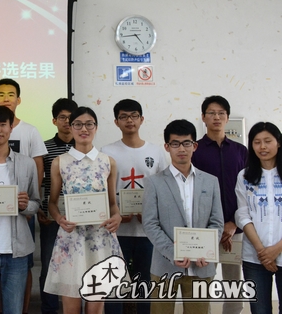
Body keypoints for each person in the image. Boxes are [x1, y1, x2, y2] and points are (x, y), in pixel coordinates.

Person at [0, 78, 47, 312]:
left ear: (10, 127)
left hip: (17, 238)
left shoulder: (26, 157)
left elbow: (35, 198)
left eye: (2, 125)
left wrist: (27, 207)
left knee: (15, 304)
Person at [44, 106, 123, 314]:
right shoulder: (60, 162)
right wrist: (59, 218)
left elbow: (112, 203)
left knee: (96, 309)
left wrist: (117, 216)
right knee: (71, 308)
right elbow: (52, 202)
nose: (84, 129)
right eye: (78, 124)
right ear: (71, 127)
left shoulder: (108, 162)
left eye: (89, 124)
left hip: (100, 238)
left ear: (96, 127)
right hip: (71, 239)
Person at [142, 119, 224, 314]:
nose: (181, 149)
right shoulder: (154, 183)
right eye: (175, 144)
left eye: (186, 143)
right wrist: (173, 253)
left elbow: (217, 222)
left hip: (201, 266)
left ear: (194, 146)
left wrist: (207, 251)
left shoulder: (210, 182)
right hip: (164, 265)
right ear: (167, 147)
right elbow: (150, 224)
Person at [101, 99, 168, 314]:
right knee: (114, 283)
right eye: (123, 116)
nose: (129, 120)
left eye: (134, 116)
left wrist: (150, 214)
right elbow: (101, 189)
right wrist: (116, 212)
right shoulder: (107, 151)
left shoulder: (156, 152)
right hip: (116, 231)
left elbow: (164, 190)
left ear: (141, 119)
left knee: (144, 283)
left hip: (147, 232)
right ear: (116, 122)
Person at [192, 95, 247, 314]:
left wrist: (234, 222)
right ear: (203, 117)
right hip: (204, 228)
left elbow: (248, 191)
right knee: (202, 279)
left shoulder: (241, 151)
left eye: (221, 113)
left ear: (227, 117)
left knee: (233, 282)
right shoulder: (194, 150)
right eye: (212, 113)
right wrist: (213, 224)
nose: (217, 117)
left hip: (235, 229)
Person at [235, 122, 282, 314]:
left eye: (267, 141)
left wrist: (276, 249)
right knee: (259, 310)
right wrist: (262, 251)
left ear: (278, 142)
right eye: (257, 142)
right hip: (254, 257)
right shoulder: (244, 176)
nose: (262, 147)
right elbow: (242, 214)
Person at [38, 98, 77, 314]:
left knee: (79, 265)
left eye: (71, 118)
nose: (67, 122)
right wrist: (39, 208)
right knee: (49, 265)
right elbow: (38, 181)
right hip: (51, 217)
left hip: (80, 218)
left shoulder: (85, 148)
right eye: (62, 117)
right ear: (54, 121)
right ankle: (49, 309)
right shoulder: (44, 148)